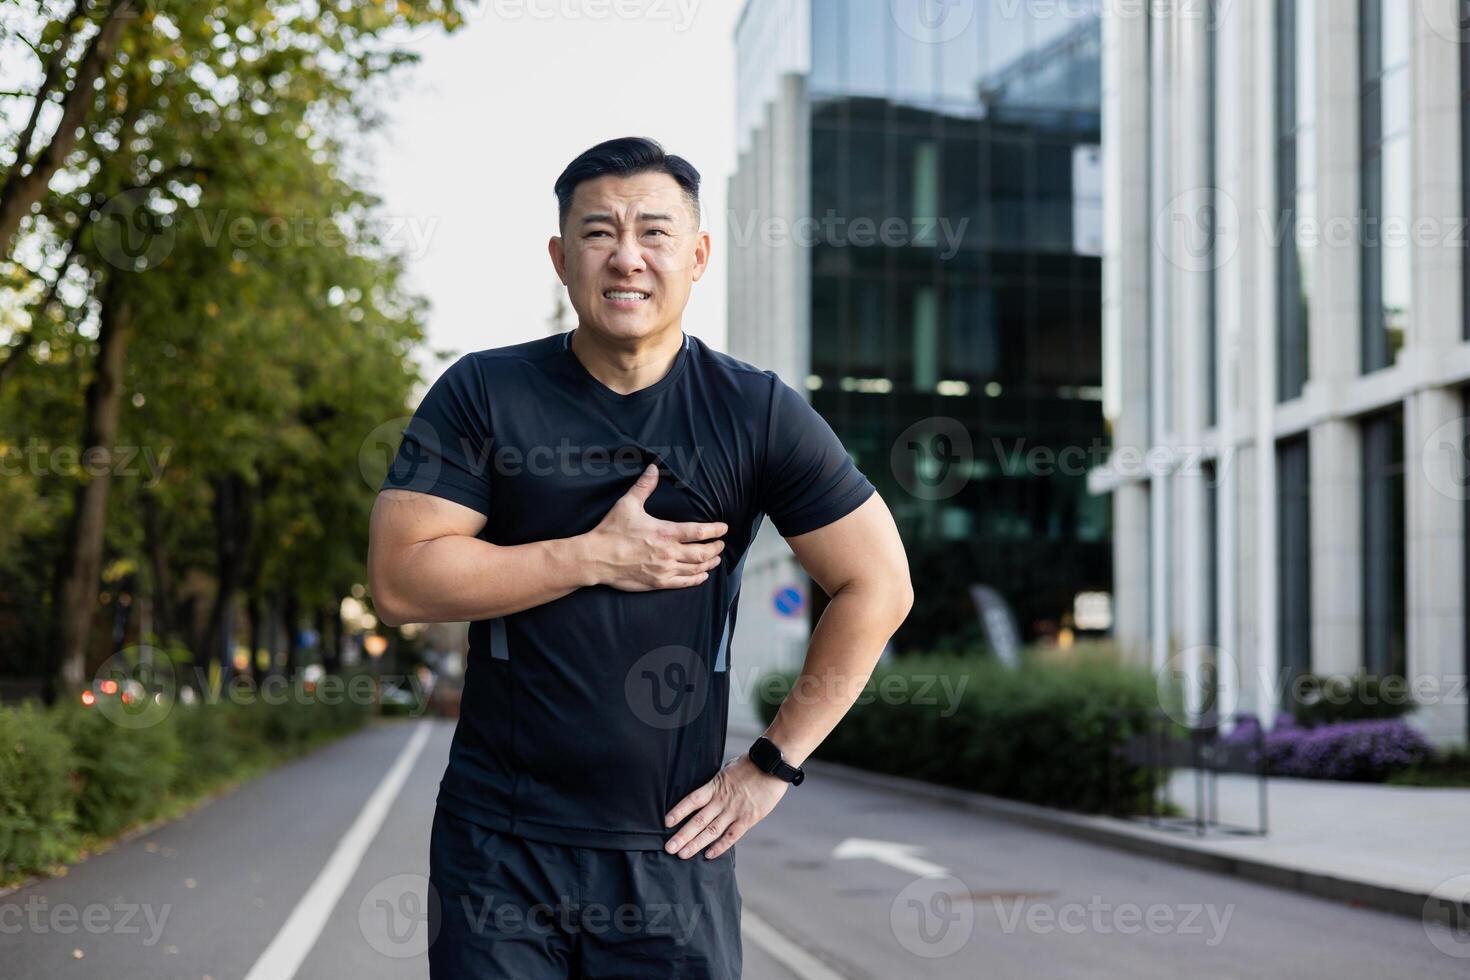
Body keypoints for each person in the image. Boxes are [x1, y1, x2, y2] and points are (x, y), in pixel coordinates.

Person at [367, 136, 913, 979]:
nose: (626, 256)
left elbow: (878, 584)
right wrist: (591, 556)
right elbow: (402, 581)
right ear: (560, 257)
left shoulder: (755, 411)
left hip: (673, 849)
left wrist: (772, 766)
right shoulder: (483, 391)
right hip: (499, 846)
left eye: (654, 232)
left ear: (697, 257)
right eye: (597, 233)